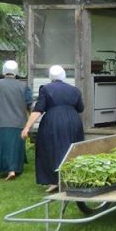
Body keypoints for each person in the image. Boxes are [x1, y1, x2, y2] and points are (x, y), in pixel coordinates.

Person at [21, 65, 84, 193]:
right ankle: (71, 177)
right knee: (71, 147)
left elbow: (38, 110)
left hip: (53, 121)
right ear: (64, 75)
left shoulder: (46, 89)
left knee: (50, 148)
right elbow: (80, 108)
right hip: (73, 121)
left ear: (50, 76)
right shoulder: (75, 90)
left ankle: (54, 180)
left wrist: (27, 127)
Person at [0, 60, 33, 181]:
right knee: (15, 147)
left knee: (2, 146)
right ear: (16, 72)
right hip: (19, 122)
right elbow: (29, 104)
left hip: (1, 121)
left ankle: (6, 169)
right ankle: (13, 169)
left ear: (4, 70)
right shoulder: (23, 86)